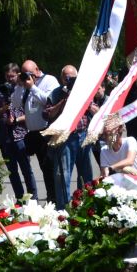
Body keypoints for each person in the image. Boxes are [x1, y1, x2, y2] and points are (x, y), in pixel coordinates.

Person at [44, 65, 98, 208]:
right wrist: (64, 101)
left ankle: (86, 205)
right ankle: (64, 209)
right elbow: (47, 114)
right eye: (66, 78)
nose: (69, 80)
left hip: (83, 135)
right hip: (65, 138)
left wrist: (86, 103)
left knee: (86, 173)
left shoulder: (84, 92)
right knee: (63, 175)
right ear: (62, 78)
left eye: (73, 78)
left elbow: (97, 111)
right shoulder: (56, 93)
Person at [12, 60, 59, 202]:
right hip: (33, 134)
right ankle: (51, 197)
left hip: (47, 132)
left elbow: (49, 101)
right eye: (24, 73)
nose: (27, 76)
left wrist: (32, 87)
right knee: (44, 168)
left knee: (51, 168)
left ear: (37, 70)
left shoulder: (49, 80)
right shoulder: (24, 85)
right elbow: (15, 103)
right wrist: (19, 85)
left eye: (29, 73)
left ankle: (56, 199)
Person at [0, 72, 38, 200]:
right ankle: (20, 200)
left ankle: (33, 199)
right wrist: (4, 109)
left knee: (26, 170)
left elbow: (30, 112)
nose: (10, 79)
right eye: (7, 76)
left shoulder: (23, 91)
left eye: (12, 76)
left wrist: (16, 120)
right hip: (6, 139)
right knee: (12, 172)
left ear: (18, 76)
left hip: (20, 137)